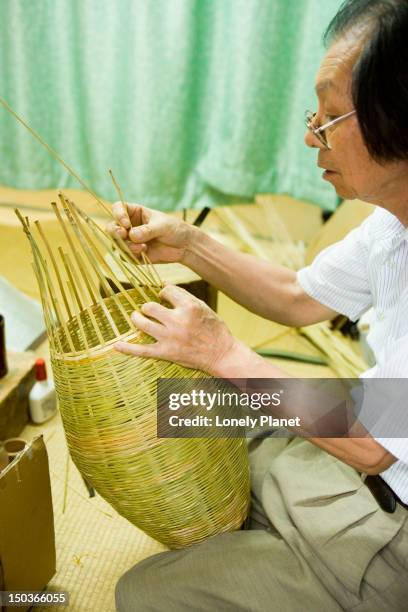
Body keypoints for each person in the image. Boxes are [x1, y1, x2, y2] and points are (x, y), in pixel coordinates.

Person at [110, 1, 408, 609]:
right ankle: (283, 530)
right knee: (195, 411)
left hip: (393, 536)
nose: (310, 136)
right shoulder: (392, 224)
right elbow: (299, 297)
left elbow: (375, 443)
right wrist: (190, 244)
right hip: (370, 466)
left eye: (329, 117)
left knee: (142, 593)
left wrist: (224, 352)